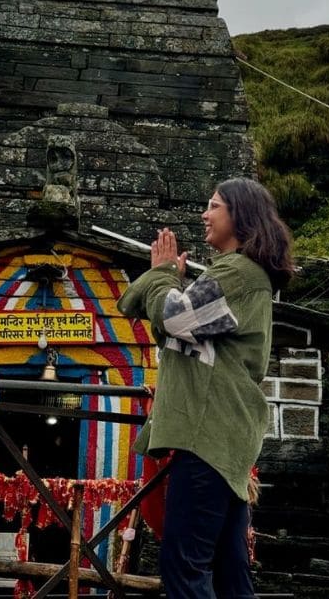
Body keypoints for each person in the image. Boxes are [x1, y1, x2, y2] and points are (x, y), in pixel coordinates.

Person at [118, 178, 296, 598]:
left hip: (208, 434)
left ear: (240, 215)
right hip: (223, 436)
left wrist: (161, 276)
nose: (204, 214)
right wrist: (166, 284)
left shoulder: (237, 272)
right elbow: (185, 335)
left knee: (184, 567)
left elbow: (175, 318)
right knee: (230, 572)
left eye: (214, 206)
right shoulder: (245, 275)